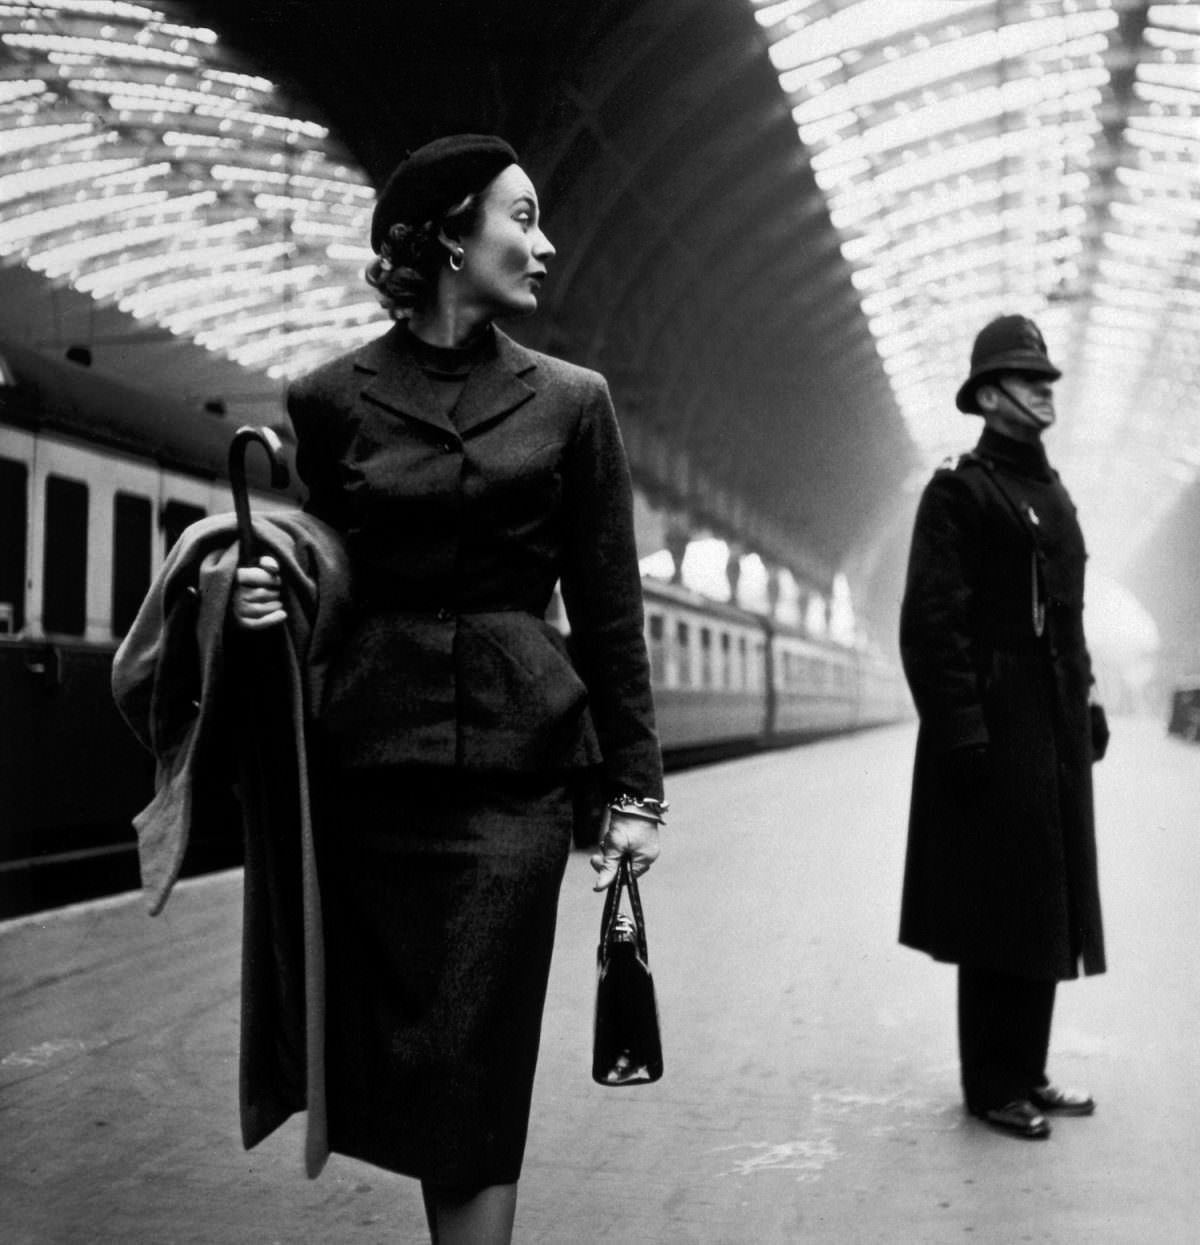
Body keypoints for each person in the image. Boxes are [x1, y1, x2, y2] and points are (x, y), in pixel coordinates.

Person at [233, 134, 665, 1243]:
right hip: (371, 779)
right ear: (445, 237)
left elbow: (611, 614)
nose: (545, 242)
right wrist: (270, 599)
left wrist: (636, 793)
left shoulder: (573, 403)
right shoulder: (328, 400)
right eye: (521, 217)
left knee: (475, 1071)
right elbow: (327, 567)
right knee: (422, 1074)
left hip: (517, 787)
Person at [897, 314, 1109, 1141]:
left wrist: (1085, 702)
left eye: (1048, 378)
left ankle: (1028, 1069)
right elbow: (931, 623)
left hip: (1049, 731)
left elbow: (1068, 616)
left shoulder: (1052, 495)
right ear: (987, 395)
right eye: (1026, 378)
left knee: (1044, 903)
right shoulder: (961, 490)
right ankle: (991, 1084)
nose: (1043, 388)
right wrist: (961, 732)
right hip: (991, 730)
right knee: (996, 909)